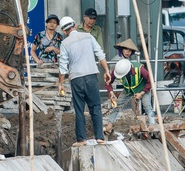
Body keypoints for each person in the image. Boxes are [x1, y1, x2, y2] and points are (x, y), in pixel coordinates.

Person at [57, 16, 111, 146]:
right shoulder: (88, 36)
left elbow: (63, 66)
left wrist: (60, 83)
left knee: (79, 109)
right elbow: (100, 54)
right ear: (75, 25)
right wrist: (107, 71)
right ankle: (100, 137)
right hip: (91, 76)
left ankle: (81, 139)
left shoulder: (65, 43)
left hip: (76, 78)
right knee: (95, 107)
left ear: (64, 31)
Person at [105, 59, 155, 134]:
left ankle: (153, 126)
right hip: (128, 90)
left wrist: (141, 93)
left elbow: (150, 80)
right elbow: (108, 81)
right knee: (117, 105)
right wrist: (111, 93)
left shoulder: (139, 69)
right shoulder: (118, 70)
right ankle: (110, 125)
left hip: (142, 87)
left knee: (147, 106)